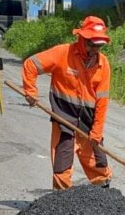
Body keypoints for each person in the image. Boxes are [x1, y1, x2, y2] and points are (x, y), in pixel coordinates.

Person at [22, 15, 114, 190]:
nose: (94, 49)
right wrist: (31, 91)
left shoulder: (103, 64)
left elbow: (102, 101)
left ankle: (105, 201)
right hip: (64, 119)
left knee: (99, 164)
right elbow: (31, 64)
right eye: (90, 44)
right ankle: (60, 204)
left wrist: (97, 130)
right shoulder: (62, 53)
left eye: (98, 45)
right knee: (62, 165)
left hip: (88, 122)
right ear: (80, 38)